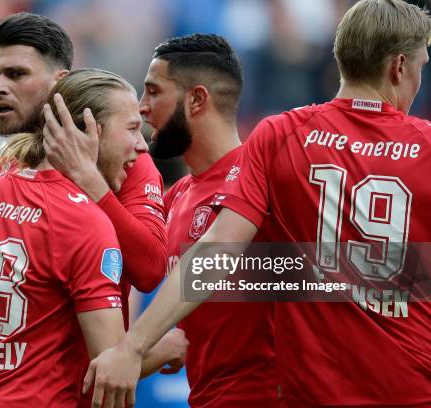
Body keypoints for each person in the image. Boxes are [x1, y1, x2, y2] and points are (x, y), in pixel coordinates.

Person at [84, 1, 431, 407]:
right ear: (399, 66)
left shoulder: (284, 134)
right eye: (422, 67)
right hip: (411, 386)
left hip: (309, 394)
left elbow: (218, 252)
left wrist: (134, 346)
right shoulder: (426, 146)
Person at [45, 33, 277, 407]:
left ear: (197, 99)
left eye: (153, 92)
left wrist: (90, 182)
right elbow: (146, 267)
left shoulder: (263, 177)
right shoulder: (179, 195)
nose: (141, 108)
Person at [0, 68, 186, 407]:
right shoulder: (86, 219)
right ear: (90, 131)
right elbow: (108, 374)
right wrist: (164, 347)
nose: (142, 144)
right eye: (132, 129)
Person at [0, 12, 167, 327]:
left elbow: (150, 271)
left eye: (16, 74)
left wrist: (91, 182)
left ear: (60, 83)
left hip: (86, 375)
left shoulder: (123, 164)